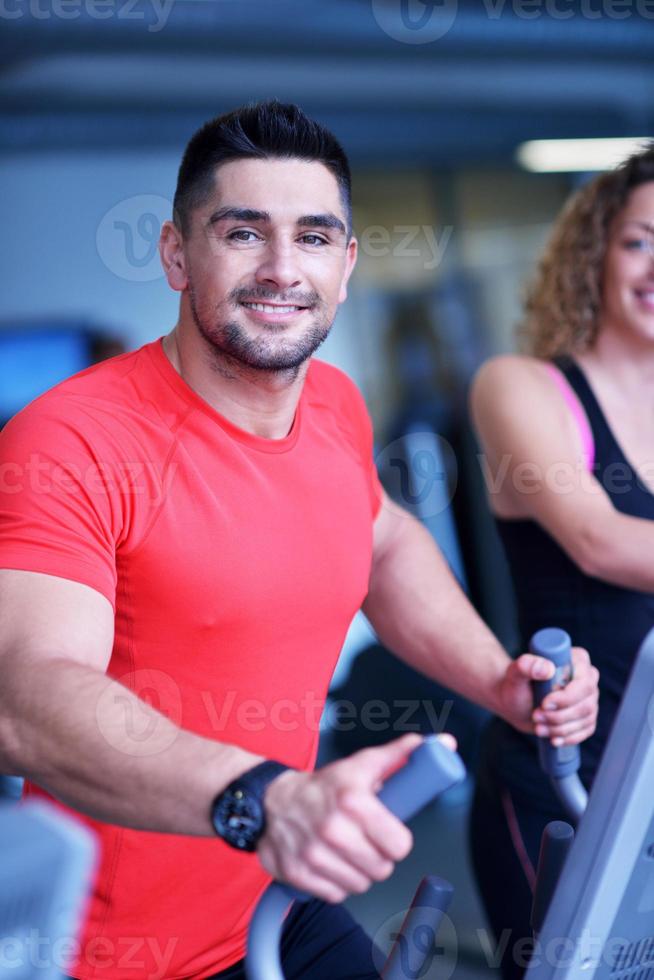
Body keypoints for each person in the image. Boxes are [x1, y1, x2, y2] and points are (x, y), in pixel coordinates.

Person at [0, 101, 598, 980]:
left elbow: (384, 543)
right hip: (125, 954)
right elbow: (25, 697)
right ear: (176, 252)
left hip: (280, 903)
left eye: (314, 238)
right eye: (243, 233)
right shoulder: (73, 440)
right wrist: (261, 799)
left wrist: (498, 680)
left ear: (347, 264)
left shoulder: (333, 406)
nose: (283, 269)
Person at [468, 144, 654, 980]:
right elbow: (598, 539)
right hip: (567, 786)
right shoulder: (520, 387)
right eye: (640, 240)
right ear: (596, 255)